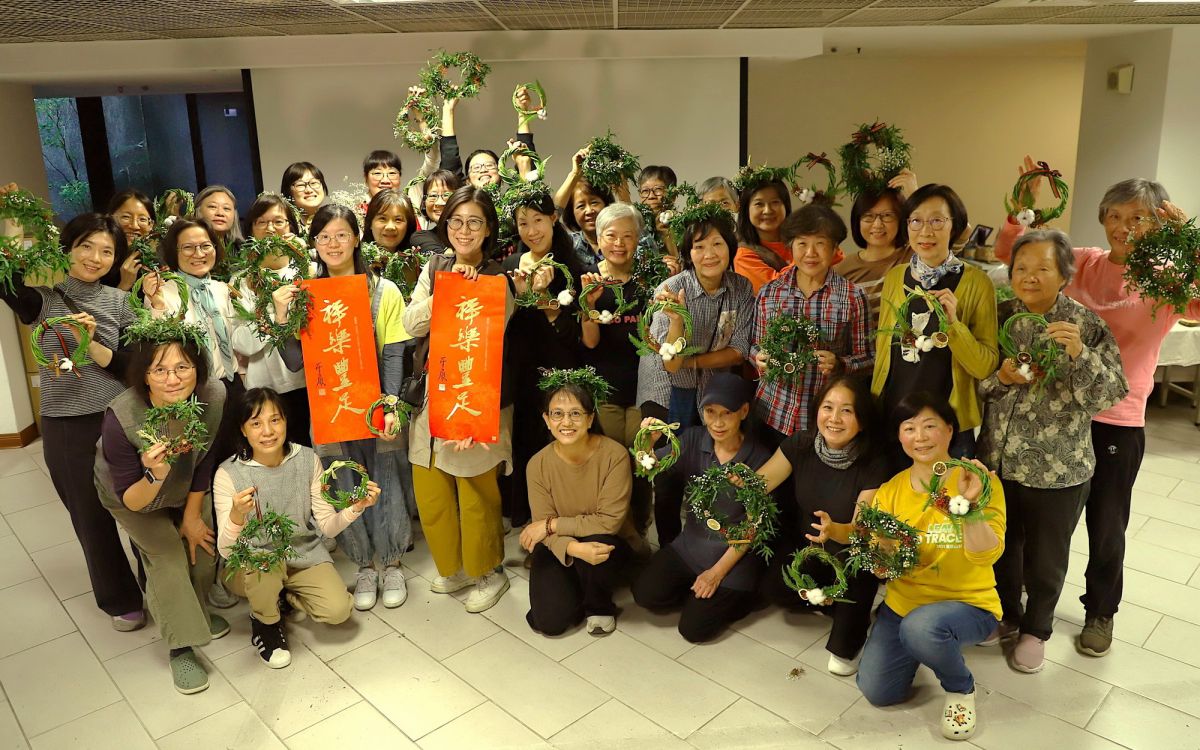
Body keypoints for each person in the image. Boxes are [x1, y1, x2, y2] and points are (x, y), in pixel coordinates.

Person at [990, 172, 1197, 658]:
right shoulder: (1082, 262)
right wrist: (1019, 207)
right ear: (1103, 219)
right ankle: (1016, 604)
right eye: (1116, 216)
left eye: (1139, 219)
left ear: (1158, 225)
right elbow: (1015, 256)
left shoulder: (1166, 280)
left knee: (1106, 524)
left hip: (1117, 419)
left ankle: (1100, 611)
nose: (1125, 227)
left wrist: (1188, 240)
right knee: (1035, 519)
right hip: (1059, 417)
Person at [977, 228, 1127, 673]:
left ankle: (1036, 630)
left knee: (1045, 557)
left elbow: (1110, 393)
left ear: (1064, 275)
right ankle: (1005, 615)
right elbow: (974, 385)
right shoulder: (1000, 316)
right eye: (1021, 268)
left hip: (1058, 469)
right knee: (1001, 548)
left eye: (1042, 268)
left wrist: (1080, 355)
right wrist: (1000, 379)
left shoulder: (1085, 325)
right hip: (998, 461)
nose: (1029, 277)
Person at [0, 205, 144, 631]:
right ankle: (120, 598)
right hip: (66, 423)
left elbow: (134, 368)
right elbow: (4, 278)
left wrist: (93, 344)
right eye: (86, 247)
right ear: (68, 250)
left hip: (119, 418)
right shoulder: (42, 301)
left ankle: (158, 582)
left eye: (106, 251)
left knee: (141, 508)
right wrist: (10, 220)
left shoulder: (121, 302)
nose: (95, 258)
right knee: (89, 514)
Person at [277, 203, 413, 611]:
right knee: (342, 480)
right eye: (324, 237)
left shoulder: (383, 290)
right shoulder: (306, 294)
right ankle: (364, 565)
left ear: (356, 238)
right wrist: (284, 314)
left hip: (375, 406)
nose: (333, 244)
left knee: (385, 475)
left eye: (341, 235)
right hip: (329, 409)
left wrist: (390, 405)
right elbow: (293, 360)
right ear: (314, 245)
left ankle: (391, 563)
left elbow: (394, 353)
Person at [854, 393, 1006, 741]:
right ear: (899, 436)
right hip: (904, 604)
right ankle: (925, 644)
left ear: (950, 431)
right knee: (878, 691)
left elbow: (987, 556)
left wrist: (970, 508)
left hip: (969, 603)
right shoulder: (890, 491)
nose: (920, 437)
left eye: (930, 426)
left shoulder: (979, 482)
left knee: (922, 628)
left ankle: (961, 688)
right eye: (909, 428)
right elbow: (880, 557)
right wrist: (879, 561)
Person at [402, 186, 515, 614]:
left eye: (474, 222)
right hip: (433, 392)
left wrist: (475, 288)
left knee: (475, 491)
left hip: (475, 396)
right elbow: (413, 323)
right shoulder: (434, 268)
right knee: (431, 488)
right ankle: (455, 567)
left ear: (488, 230)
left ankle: (489, 570)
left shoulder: (499, 277)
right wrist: (444, 291)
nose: (463, 231)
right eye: (455, 221)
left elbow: (497, 330)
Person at [95, 335, 228, 694]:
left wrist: (192, 515)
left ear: (197, 370)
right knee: (167, 557)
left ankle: (195, 611)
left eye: (183, 367)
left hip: (186, 479)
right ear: (144, 376)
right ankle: (180, 645)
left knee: (200, 550)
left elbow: (206, 457)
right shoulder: (121, 418)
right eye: (160, 370)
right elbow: (133, 500)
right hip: (135, 494)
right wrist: (155, 473)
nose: (173, 379)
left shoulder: (212, 395)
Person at [215, 388, 381, 668]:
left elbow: (326, 527)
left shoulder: (306, 459)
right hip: (253, 565)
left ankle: (281, 595)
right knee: (264, 565)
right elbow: (226, 549)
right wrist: (235, 516)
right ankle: (266, 624)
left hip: (302, 555)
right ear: (243, 430)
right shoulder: (228, 473)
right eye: (256, 423)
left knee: (339, 611)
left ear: (286, 422)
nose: (267, 431)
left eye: (275, 420)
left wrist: (356, 507)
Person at [755, 374, 890, 675]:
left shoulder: (874, 462)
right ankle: (829, 602)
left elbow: (861, 532)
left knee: (839, 665)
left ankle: (853, 622)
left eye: (847, 410)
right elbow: (760, 483)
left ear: (862, 420)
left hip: (852, 555)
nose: (834, 418)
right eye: (828, 407)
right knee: (774, 588)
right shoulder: (802, 444)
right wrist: (737, 479)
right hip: (809, 548)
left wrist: (834, 530)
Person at [631, 373, 774, 642]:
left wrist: (716, 574)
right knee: (646, 594)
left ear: (744, 411)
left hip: (732, 558)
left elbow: (754, 527)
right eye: (710, 412)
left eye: (727, 413)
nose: (717, 423)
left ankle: (748, 594)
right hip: (691, 546)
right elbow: (648, 467)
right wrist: (646, 445)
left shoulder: (759, 457)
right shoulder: (694, 439)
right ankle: (697, 590)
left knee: (693, 630)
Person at [871, 184, 997, 463]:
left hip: (948, 430)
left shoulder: (977, 283)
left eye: (937, 221)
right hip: (895, 420)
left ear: (955, 226)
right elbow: (884, 351)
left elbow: (985, 364)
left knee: (944, 505)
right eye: (916, 220)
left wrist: (953, 325)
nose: (925, 231)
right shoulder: (896, 277)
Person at [521, 377, 640, 636]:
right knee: (549, 624)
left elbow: (608, 522)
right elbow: (541, 528)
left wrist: (552, 525)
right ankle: (573, 589)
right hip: (561, 544)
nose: (566, 422)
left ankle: (599, 605)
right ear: (546, 419)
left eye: (575, 414)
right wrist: (573, 548)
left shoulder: (614, 455)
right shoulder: (537, 464)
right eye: (557, 414)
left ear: (589, 418)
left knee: (598, 538)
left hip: (606, 542)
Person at [751, 203, 873, 443]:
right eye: (802, 243)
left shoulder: (852, 297)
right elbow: (753, 344)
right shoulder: (770, 293)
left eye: (820, 243)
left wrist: (840, 364)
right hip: (772, 412)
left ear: (835, 248)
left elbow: (869, 357)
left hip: (825, 420)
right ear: (790, 247)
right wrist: (759, 356)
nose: (810, 253)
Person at [501, 192, 586, 529]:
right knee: (523, 447)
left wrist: (548, 302)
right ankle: (528, 522)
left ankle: (561, 523)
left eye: (538, 220)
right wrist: (521, 293)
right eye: (523, 222)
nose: (531, 230)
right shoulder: (510, 267)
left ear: (553, 219)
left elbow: (575, 335)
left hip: (558, 372)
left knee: (556, 447)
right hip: (519, 373)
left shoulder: (573, 269)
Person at [578, 203, 661, 537]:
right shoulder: (591, 280)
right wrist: (591, 305)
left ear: (638, 239)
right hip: (607, 386)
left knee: (641, 458)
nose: (619, 243)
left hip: (644, 386)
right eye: (611, 235)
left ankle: (639, 523)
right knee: (613, 460)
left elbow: (654, 340)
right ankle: (617, 528)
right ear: (598, 239)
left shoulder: (648, 282)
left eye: (628, 236)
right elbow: (591, 343)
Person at [638, 210, 753, 436]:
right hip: (667, 386)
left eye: (717, 244)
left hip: (712, 385)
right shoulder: (670, 289)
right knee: (670, 454)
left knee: (707, 456)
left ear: (730, 247)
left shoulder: (741, 287)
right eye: (699, 247)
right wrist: (677, 320)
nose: (709, 254)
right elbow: (670, 364)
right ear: (688, 254)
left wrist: (691, 362)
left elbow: (739, 350)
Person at [231, 193, 312, 447]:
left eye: (279, 221)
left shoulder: (309, 271)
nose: (270, 229)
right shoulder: (241, 281)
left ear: (291, 226)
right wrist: (275, 314)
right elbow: (241, 342)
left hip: (308, 383)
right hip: (264, 387)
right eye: (261, 222)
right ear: (251, 230)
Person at [834, 178, 916, 327]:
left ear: (901, 219)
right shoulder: (842, 271)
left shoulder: (914, 255)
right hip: (863, 349)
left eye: (887, 215)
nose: (877, 224)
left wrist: (915, 196)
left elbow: (961, 235)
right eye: (868, 216)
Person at [437, 88, 537, 188]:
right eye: (476, 168)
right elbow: (450, 165)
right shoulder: (461, 202)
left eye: (490, 165)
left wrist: (522, 112)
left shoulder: (514, 200)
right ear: (467, 181)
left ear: (501, 175)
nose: (483, 170)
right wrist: (448, 110)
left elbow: (526, 164)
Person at [733, 177, 791, 294]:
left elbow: (837, 265)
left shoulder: (802, 241)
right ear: (746, 210)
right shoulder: (743, 255)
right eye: (759, 204)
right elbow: (776, 291)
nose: (767, 210)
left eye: (775, 202)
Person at [105, 189, 155, 290]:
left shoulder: (157, 263)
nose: (134, 226)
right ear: (109, 218)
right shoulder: (99, 261)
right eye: (126, 217)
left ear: (151, 225)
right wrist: (125, 284)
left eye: (142, 219)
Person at [194, 185, 244, 256]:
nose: (220, 213)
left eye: (226, 208)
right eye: (212, 206)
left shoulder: (243, 250)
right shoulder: (187, 246)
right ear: (198, 211)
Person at [280, 161, 327, 232]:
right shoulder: (283, 227)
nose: (309, 190)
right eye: (300, 185)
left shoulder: (335, 220)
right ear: (288, 192)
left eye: (314, 183)